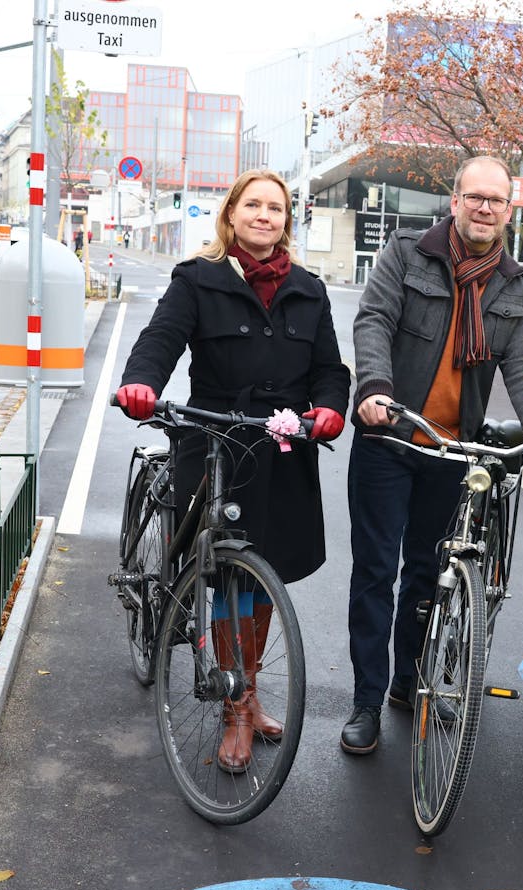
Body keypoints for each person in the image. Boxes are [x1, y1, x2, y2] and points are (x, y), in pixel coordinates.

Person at [115, 168, 351, 773]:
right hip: (214, 440)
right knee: (226, 577)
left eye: (275, 207)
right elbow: (162, 338)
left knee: (264, 573)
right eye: (253, 205)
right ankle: (232, 708)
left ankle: (247, 691)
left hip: (281, 446)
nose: (264, 215)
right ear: (231, 214)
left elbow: (330, 367)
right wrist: (141, 382)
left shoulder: (308, 288)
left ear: (285, 222)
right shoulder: (198, 279)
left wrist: (329, 407)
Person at [342, 155, 523, 755]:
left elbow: (521, 366)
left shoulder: (513, 284)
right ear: (455, 201)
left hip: (450, 450)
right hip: (391, 434)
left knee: (426, 572)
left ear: (508, 210)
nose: (485, 208)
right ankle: (367, 701)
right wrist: (373, 389)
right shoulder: (406, 253)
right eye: (475, 197)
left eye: (496, 201)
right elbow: (373, 322)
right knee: (374, 572)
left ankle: (406, 683)